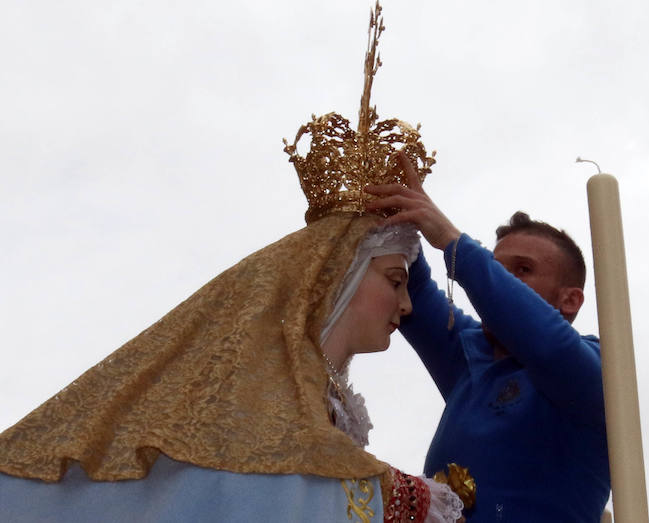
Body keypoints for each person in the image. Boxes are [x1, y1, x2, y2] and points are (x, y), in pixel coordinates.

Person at [0, 214, 463, 522]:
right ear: (339, 276)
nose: (406, 304)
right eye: (395, 281)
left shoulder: (319, 399)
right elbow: (278, 492)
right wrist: (409, 498)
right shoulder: (257, 399)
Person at [365, 153, 611, 521]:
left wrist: (453, 242)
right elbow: (413, 285)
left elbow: (547, 344)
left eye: (523, 269)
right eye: (496, 268)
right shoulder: (471, 355)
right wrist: (389, 207)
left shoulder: (599, 368)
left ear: (570, 300)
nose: (502, 280)